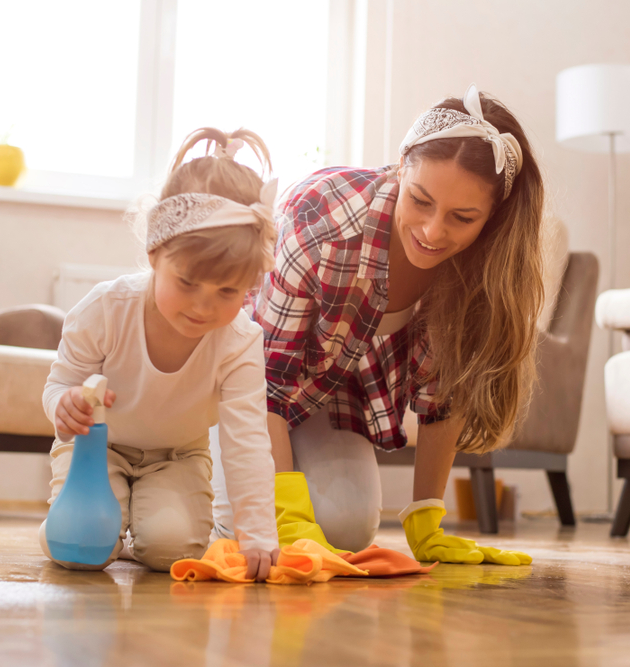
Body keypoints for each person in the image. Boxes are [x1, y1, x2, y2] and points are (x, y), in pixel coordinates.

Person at [213, 84, 540, 565]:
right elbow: (265, 383)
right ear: (401, 167)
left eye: (462, 217)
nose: (433, 232)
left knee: (347, 529)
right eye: (421, 200)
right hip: (235, 385)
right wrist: (282, 513)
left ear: (491, 219)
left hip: (324, 395)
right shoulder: (320, 219)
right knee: (247, 531)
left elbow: (442, 397)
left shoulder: (481, 269)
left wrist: (427, 516)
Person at [40, 128, 280, 579]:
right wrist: (64, 404)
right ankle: (86, 528)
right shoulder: (104, 309)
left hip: (178, 455)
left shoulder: (240, 341)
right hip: (97, 447)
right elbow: (59, 384)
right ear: (154, 253)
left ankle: (130, 529)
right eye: (187, 283)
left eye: (228, 291)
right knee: (79, 549)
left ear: (250, 286)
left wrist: (259, 534)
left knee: (173, 552)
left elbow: (246, 441)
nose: (203, 307)